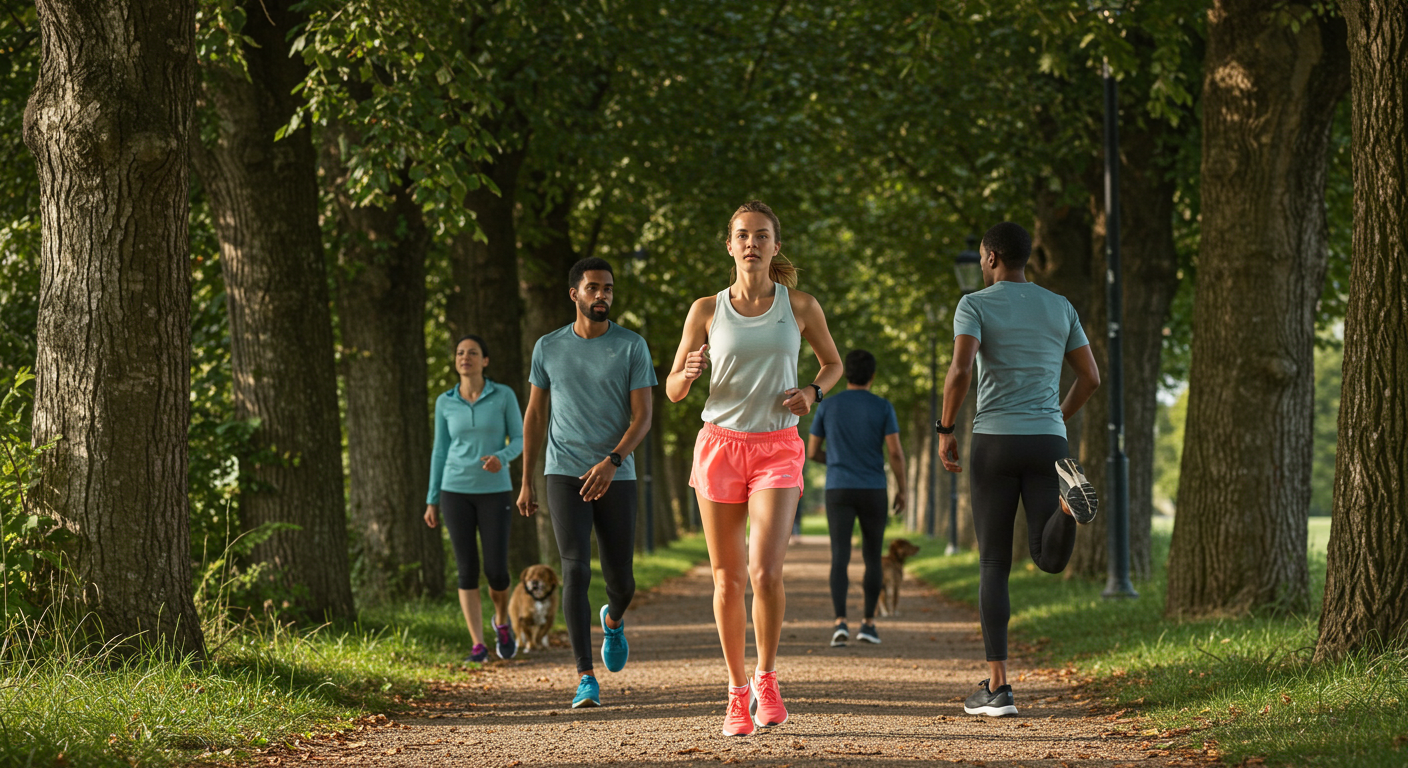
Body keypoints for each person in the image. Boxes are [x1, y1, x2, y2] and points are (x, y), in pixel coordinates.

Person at [667, 200, 843, 737]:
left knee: (765, 572)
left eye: (761, 236)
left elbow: (832, 364)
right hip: (720, 445)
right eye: (742, 235)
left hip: (777, 448)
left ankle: (768, 680)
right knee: (728, 578)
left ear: (774, 245)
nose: (751, 244)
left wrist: (813, 391)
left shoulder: (801, 306)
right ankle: (736, 692)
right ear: (730, 245)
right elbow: (673, 391)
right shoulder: (705, 310)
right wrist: (689, 372)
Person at [937, 221, 1100, 718]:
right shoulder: (1060, 306)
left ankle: (999, 687)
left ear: (989, 258)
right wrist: (1057, 418)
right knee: (1046, 558)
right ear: (1027, 257)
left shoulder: (976, 305)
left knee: (994, 564)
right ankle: (1066, 509)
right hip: (1049, 440)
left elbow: (962, 370)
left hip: (995, 441)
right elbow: (1090, 377)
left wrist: (945, 429)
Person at [517, 257, 656, 710]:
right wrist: (526, 480)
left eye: (609, 289)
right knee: (575, 568)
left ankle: (613, 622)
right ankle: (585, 676)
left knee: (622, 580)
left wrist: (613, 460)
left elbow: (643, 417)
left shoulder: (632, 345)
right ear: (574, 293)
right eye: (594, 288)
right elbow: (536, 414)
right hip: (563, 471)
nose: (603, 296)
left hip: (617, 471)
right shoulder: (548, 347)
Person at [424, 335, 524, 663]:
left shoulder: (503, 395)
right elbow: (440, 450)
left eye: (473, 353)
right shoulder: (445, 402)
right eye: (460, 353)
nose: (465, 357)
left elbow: (520, 438)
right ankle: (478, 644)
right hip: (455, 491)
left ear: (485, 361)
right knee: (466, 569)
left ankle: (501, 621)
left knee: (496, 571)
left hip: (495, 492)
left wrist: (502, 457)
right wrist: (432, 498)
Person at [806, 349, 907, 648]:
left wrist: (837, 461)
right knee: (872, 556)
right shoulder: (883, 407)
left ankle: (839, 623)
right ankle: (868, 624)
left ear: (845, 374)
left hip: (838, 487)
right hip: (873, 488)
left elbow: (812, 452)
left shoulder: (828, 406)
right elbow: (896, 453)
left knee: (840, 556)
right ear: (872, 376)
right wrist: (903, 489)